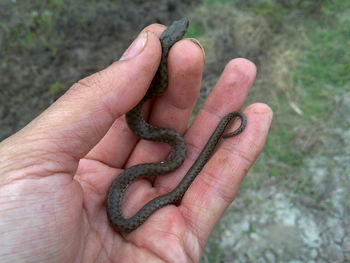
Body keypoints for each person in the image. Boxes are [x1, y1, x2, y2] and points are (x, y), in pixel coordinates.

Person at [0, 22, 272, 262]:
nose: (184, 30)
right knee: (173, 162)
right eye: (181, 31)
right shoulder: (153, 85)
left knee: (177, 156)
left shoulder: (158, 87)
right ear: (171, 43)